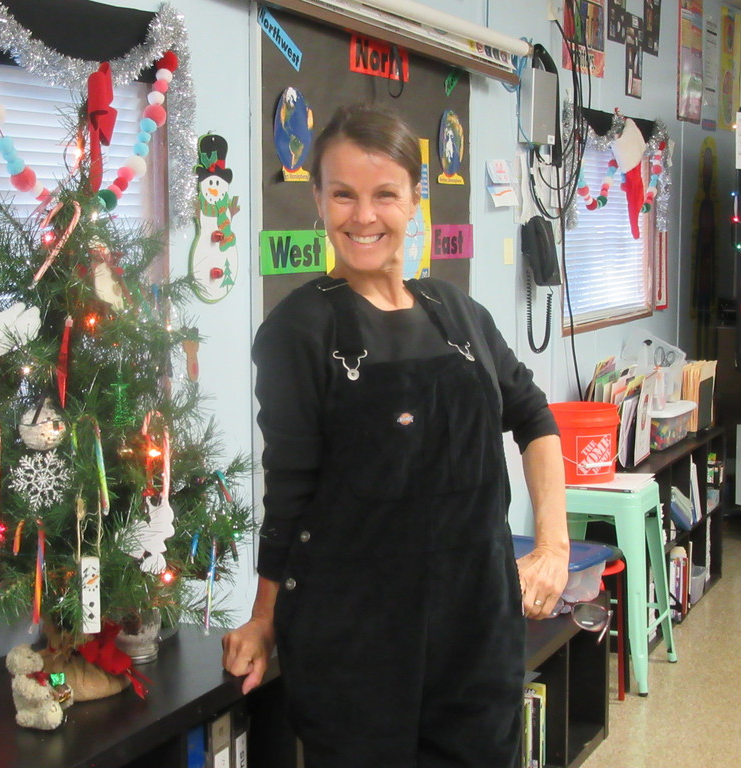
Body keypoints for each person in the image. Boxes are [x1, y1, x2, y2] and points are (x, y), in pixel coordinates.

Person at [222, 102, 570, 767]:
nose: (363, 216)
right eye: (343, 195)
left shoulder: (458, 311)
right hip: (355, 645)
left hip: (477, 632)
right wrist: (264, 618)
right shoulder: (297, 331)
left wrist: (554, 545)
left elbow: (534, 417)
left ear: (414, 200)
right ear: (318, 199)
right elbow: (290, 495)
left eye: (384, 194)